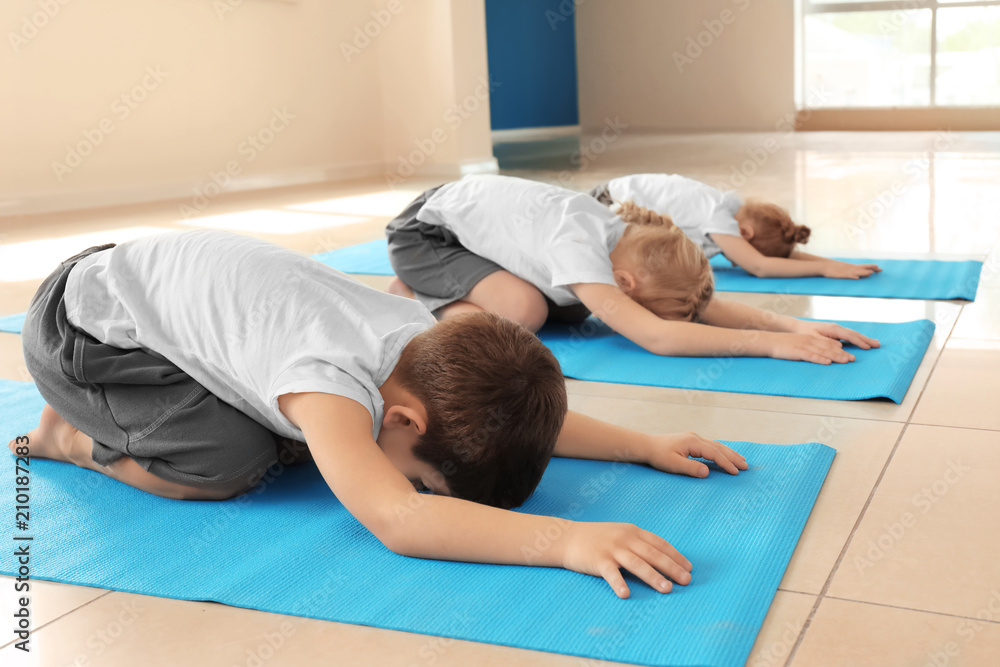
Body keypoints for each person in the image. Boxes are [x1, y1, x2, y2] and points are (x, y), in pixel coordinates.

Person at [9, 229, 747, 599]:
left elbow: (515, 411)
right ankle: (70, 438)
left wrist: (642, 444)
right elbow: (398, 518)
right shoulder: (328, 378)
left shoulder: (425, 347)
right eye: (427, 475)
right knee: (235, 463)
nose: (416, 485)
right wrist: (565, 539)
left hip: (138, 288)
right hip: (81, 337)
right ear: (405, 421)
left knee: (298, 443)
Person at [386, 174, 879, 364]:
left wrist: (795, 324)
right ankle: (415, 294)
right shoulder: (579, 243)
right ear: (626, 284)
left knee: (576, 310)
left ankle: (447, 284)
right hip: (425, 233)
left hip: (481, 233)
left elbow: (704, 307)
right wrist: (770, 345)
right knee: (525, 311)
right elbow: (658, 337)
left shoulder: (624, 242)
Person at [591, 172, 882, 279]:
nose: (733, 259)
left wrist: (833, 263)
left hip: (611, 198)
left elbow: (772, 256)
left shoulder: (730, 211)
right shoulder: (718, 217)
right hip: (600, 205)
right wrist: (823, 269)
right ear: (744, 234)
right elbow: (761, 266)